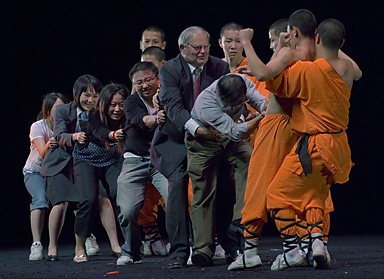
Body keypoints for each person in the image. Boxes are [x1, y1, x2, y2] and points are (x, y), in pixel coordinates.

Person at [265, 18, 361, 271]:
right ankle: (317, 243)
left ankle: (290, 252)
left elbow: (270, 78)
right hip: (339, 146)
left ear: (317, 39)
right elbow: (359, 71)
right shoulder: (347, 68)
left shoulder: (311, 69)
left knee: (276, 196)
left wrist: (282, 50)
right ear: (341, 43)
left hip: (315, 146)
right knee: (314, 197)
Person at [150, 26, 230, 268]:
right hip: (176, 139)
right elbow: (174, 108)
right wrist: (197, 129)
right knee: (177, 188)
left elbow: (225, 102)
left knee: (223, 184)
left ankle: (225, 244)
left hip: (211, 138)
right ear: (182, 48)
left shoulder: (219, 67)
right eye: (198, 47)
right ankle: (179, 250)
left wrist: (210, 131)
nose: (203, 51)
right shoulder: (170, 70)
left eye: (206, 46)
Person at [187, 73, 267, 267]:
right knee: (203, 189)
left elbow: (261, 102)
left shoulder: (243, 82)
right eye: (233, 103)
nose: (239, 104)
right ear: (222, 98)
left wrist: (267, 109)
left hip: (233, 138)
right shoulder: (206, 104)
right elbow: (234, 131)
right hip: (205, 140)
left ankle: (240, 221)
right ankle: (203, 249)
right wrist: (259, 119)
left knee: (251, 161)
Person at [116, 62, 168, 265]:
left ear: (157, 79)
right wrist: (157, 118)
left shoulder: (168, 95)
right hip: (135, 161)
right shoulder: (131, 101)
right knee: (128, 210)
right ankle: (131, 252)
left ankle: (183, 247)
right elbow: (140, 120)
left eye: (148, 80)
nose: (144, 85)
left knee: (176, 201)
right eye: (139, 82)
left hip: (162, 161)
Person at [23, 92, 67, 260]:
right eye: (56, 108)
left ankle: (83, 239)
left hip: (56, 171)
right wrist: (50, 143)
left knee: (64, 202)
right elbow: (42, 154)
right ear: (48, 111)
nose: (60, 111)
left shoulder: (67, 124)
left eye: (63, 107)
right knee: (40, 200)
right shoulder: (38, 126)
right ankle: (36, 244)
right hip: (35, 171)